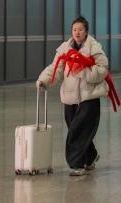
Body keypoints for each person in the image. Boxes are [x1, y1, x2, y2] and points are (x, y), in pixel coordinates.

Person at [36, 16, 110, 176]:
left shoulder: (94, 47)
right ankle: (90, 157)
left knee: (78, 130)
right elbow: (56, 68)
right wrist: (43, 80)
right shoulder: (64, 48)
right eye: (74, 29)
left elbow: (103, 69)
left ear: (86, 32)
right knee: (76, 129)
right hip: (69, 96)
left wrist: (83, 70)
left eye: (81, 29)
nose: (77, 32)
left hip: (89, 96)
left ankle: (76, 165)